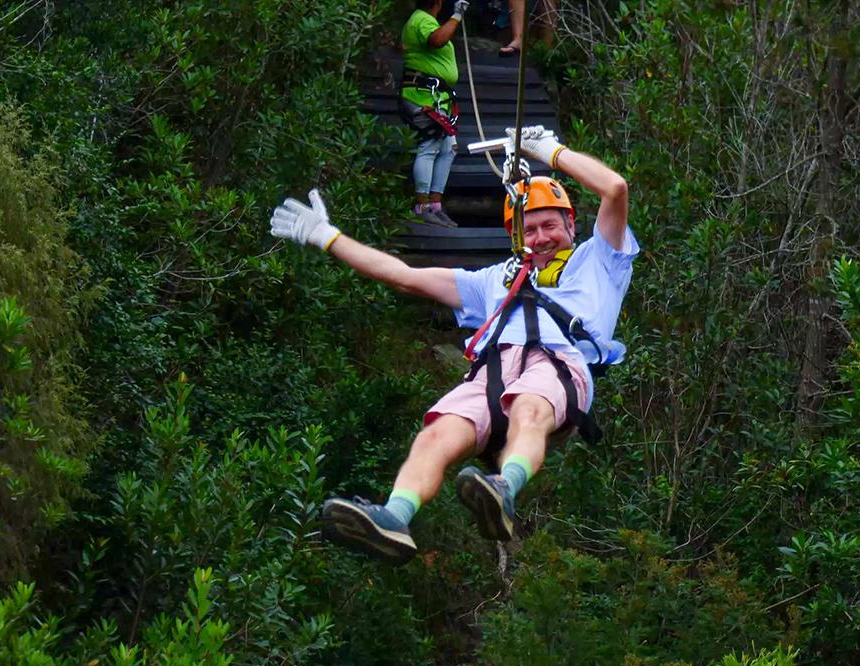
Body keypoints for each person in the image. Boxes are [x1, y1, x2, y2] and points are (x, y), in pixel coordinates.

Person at [269, 126, 639, 565]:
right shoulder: (492, 281)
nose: (540, 237)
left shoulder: (600, 260)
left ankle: (504, 486)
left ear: (570, 224)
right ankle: (394, 516)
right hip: (493, 371)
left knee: (529, 407)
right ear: (516, 237)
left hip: (560, 366)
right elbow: (403, 276)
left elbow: (615, 189)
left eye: (550, 225)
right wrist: (329, 238)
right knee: (437, 435)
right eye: (529, 229)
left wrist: (552, 153)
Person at [399, 0, 469, 228]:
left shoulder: (425, 20)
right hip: (422, 97)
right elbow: (438, 40)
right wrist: (457, 15)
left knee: (449, 149)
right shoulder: (421, 19)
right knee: (430, 146)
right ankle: (422, 206)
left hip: (436, 98)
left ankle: (435, 206)